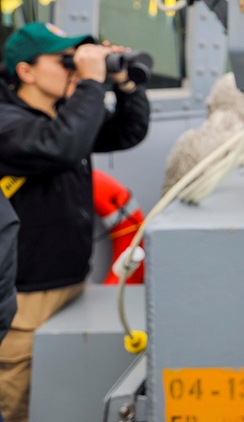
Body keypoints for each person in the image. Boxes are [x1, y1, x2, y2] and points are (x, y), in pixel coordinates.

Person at [0, 23, 150, 422]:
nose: (73, 68)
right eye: (64, 60)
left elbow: (127, 131)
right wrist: (91, 83)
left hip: (71, 287)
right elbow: (61, 145)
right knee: (16, 405)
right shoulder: (7, 123)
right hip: (25, 304)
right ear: (26, 72)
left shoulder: (62, 118)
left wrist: (124, 84)